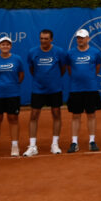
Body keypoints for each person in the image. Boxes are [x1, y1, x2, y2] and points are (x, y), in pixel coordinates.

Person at [24, 29, 67, 157]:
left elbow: (62, 69)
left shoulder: (59, 52)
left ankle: (55, 144)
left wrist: (53, 80)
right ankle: (32, 146)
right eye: (41, 38)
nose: (43, 41)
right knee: (33, 115)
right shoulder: (33, 52)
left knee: (56, 114)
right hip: (38, 89)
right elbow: (32, 69)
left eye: (46, 39)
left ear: (51, 39)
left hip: (55, 89)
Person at [65, 29, 101, 153]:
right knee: (76, 116)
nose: (79, 40)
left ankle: (92, 141)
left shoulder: (95, 52)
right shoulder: (70, 53)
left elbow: (97, 68)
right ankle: (74, 142)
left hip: (90, 88)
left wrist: (88, 78)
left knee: (91, 115)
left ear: (88, 38)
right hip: (76, 89)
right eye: (78, 38)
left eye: (82, 37)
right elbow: (69, 69)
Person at [0, 36, 24, 157]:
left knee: (13, 119)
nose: (5, 46)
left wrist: (12, 85)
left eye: (7, 44)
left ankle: (14, 146)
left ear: (11, 46)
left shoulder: (17, 59)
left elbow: (21, 75)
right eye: (3, 44)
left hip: (13, 94)